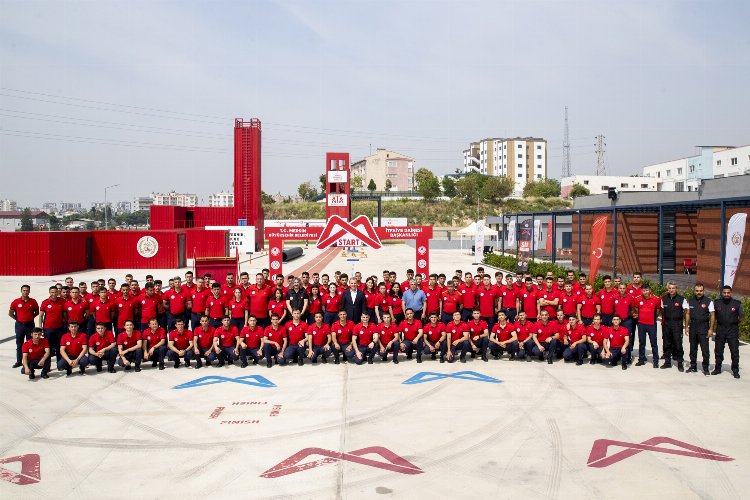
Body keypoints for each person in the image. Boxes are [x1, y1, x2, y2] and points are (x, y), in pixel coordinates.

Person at [711, 286, 744, 379]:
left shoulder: (737, 304)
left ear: (731, 293)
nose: (726, 294)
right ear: (722, 293)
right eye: (724, 292)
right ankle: (717, 369)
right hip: (720, 329)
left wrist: (736, 323)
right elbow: (713, 315)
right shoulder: (717, 303)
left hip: (732, 330)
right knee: (718, 351)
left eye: (728, 292)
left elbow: (742, 316)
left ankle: (735, 371)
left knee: (734, 351)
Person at [685, 283, 714, 375]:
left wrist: (711, 329)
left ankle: (705, 368)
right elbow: (688, 314)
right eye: (697, 291)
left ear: (703, 291)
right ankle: (693, 366)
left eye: (701, 291)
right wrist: (686, 326)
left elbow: (712, 315)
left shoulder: (709, 301)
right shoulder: (690, 300)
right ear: (694, 291)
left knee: (704, 349)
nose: (699, 292)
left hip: (703, 327)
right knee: (693, 348)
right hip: (693, 327)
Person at [10, 284, 39, 369]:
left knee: (30, 343)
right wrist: (18, 319)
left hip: (30, 325)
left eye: (27, 290)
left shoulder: (33, 301)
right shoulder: (16, 301)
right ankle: (19, 361)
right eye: (24, 290)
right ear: (21, 291)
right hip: (19, 325)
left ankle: (30, 360)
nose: (25, 292)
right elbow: (10, 313)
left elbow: (36, 312)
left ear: (29, 291)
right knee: (19, 343)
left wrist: (30, 318)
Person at [660, 281, 686, 371]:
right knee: (667, 344)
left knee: (678, 344)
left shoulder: (682, 299)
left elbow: (686, 313)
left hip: (677, 325)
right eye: (670, 288)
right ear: (668, 289)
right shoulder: (663, 299)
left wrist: (685, 325)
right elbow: (662, 311)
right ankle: (667, 362)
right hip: (667, 324)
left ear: (676, 289)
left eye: (673, 288)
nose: (671, 290)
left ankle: (680, 363)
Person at [633, 285, 661, 368]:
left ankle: (655, 361)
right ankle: (641, 360)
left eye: (647, 290)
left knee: (654, 343)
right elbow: (636, 309)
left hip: (651, 324)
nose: (645, 292)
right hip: (641, 324)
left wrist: (653, 318)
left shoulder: (656, 299)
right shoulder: (638, 299)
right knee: (642, 343)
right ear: (642, 291)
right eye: (644, 291)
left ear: (650, 290)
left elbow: (658, 310)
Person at [40, 285, 66, 360]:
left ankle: (60, 363)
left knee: (59, 347)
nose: (54, 294)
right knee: (48, 348)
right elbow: (41, 316)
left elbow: (64, 313)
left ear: (58, 292)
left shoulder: (62, 301)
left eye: (55, 292)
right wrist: (40, 327)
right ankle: (47, 366)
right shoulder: (45, 302)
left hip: (59, 328)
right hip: (48, 328)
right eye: (52, 292)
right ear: (49, 292)